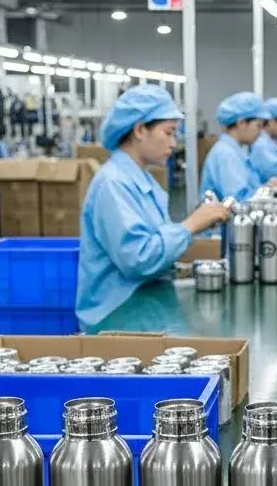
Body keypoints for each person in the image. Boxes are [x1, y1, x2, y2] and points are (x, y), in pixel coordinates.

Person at [77, 85, 231, 331]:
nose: (173, 143)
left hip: (140, 303)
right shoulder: (113, 184)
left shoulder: (140, 179)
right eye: (168, 133)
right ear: (139, 130)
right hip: (115, 318)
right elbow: (138, 258)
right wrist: (191, 225)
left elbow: (153, 240)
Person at [199, 92, 273, 202]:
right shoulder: (226, 154)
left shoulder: (235, 151)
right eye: (258, 126)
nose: (260, 132)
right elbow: (239, 200)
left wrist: (267, 188)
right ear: (242, 123)